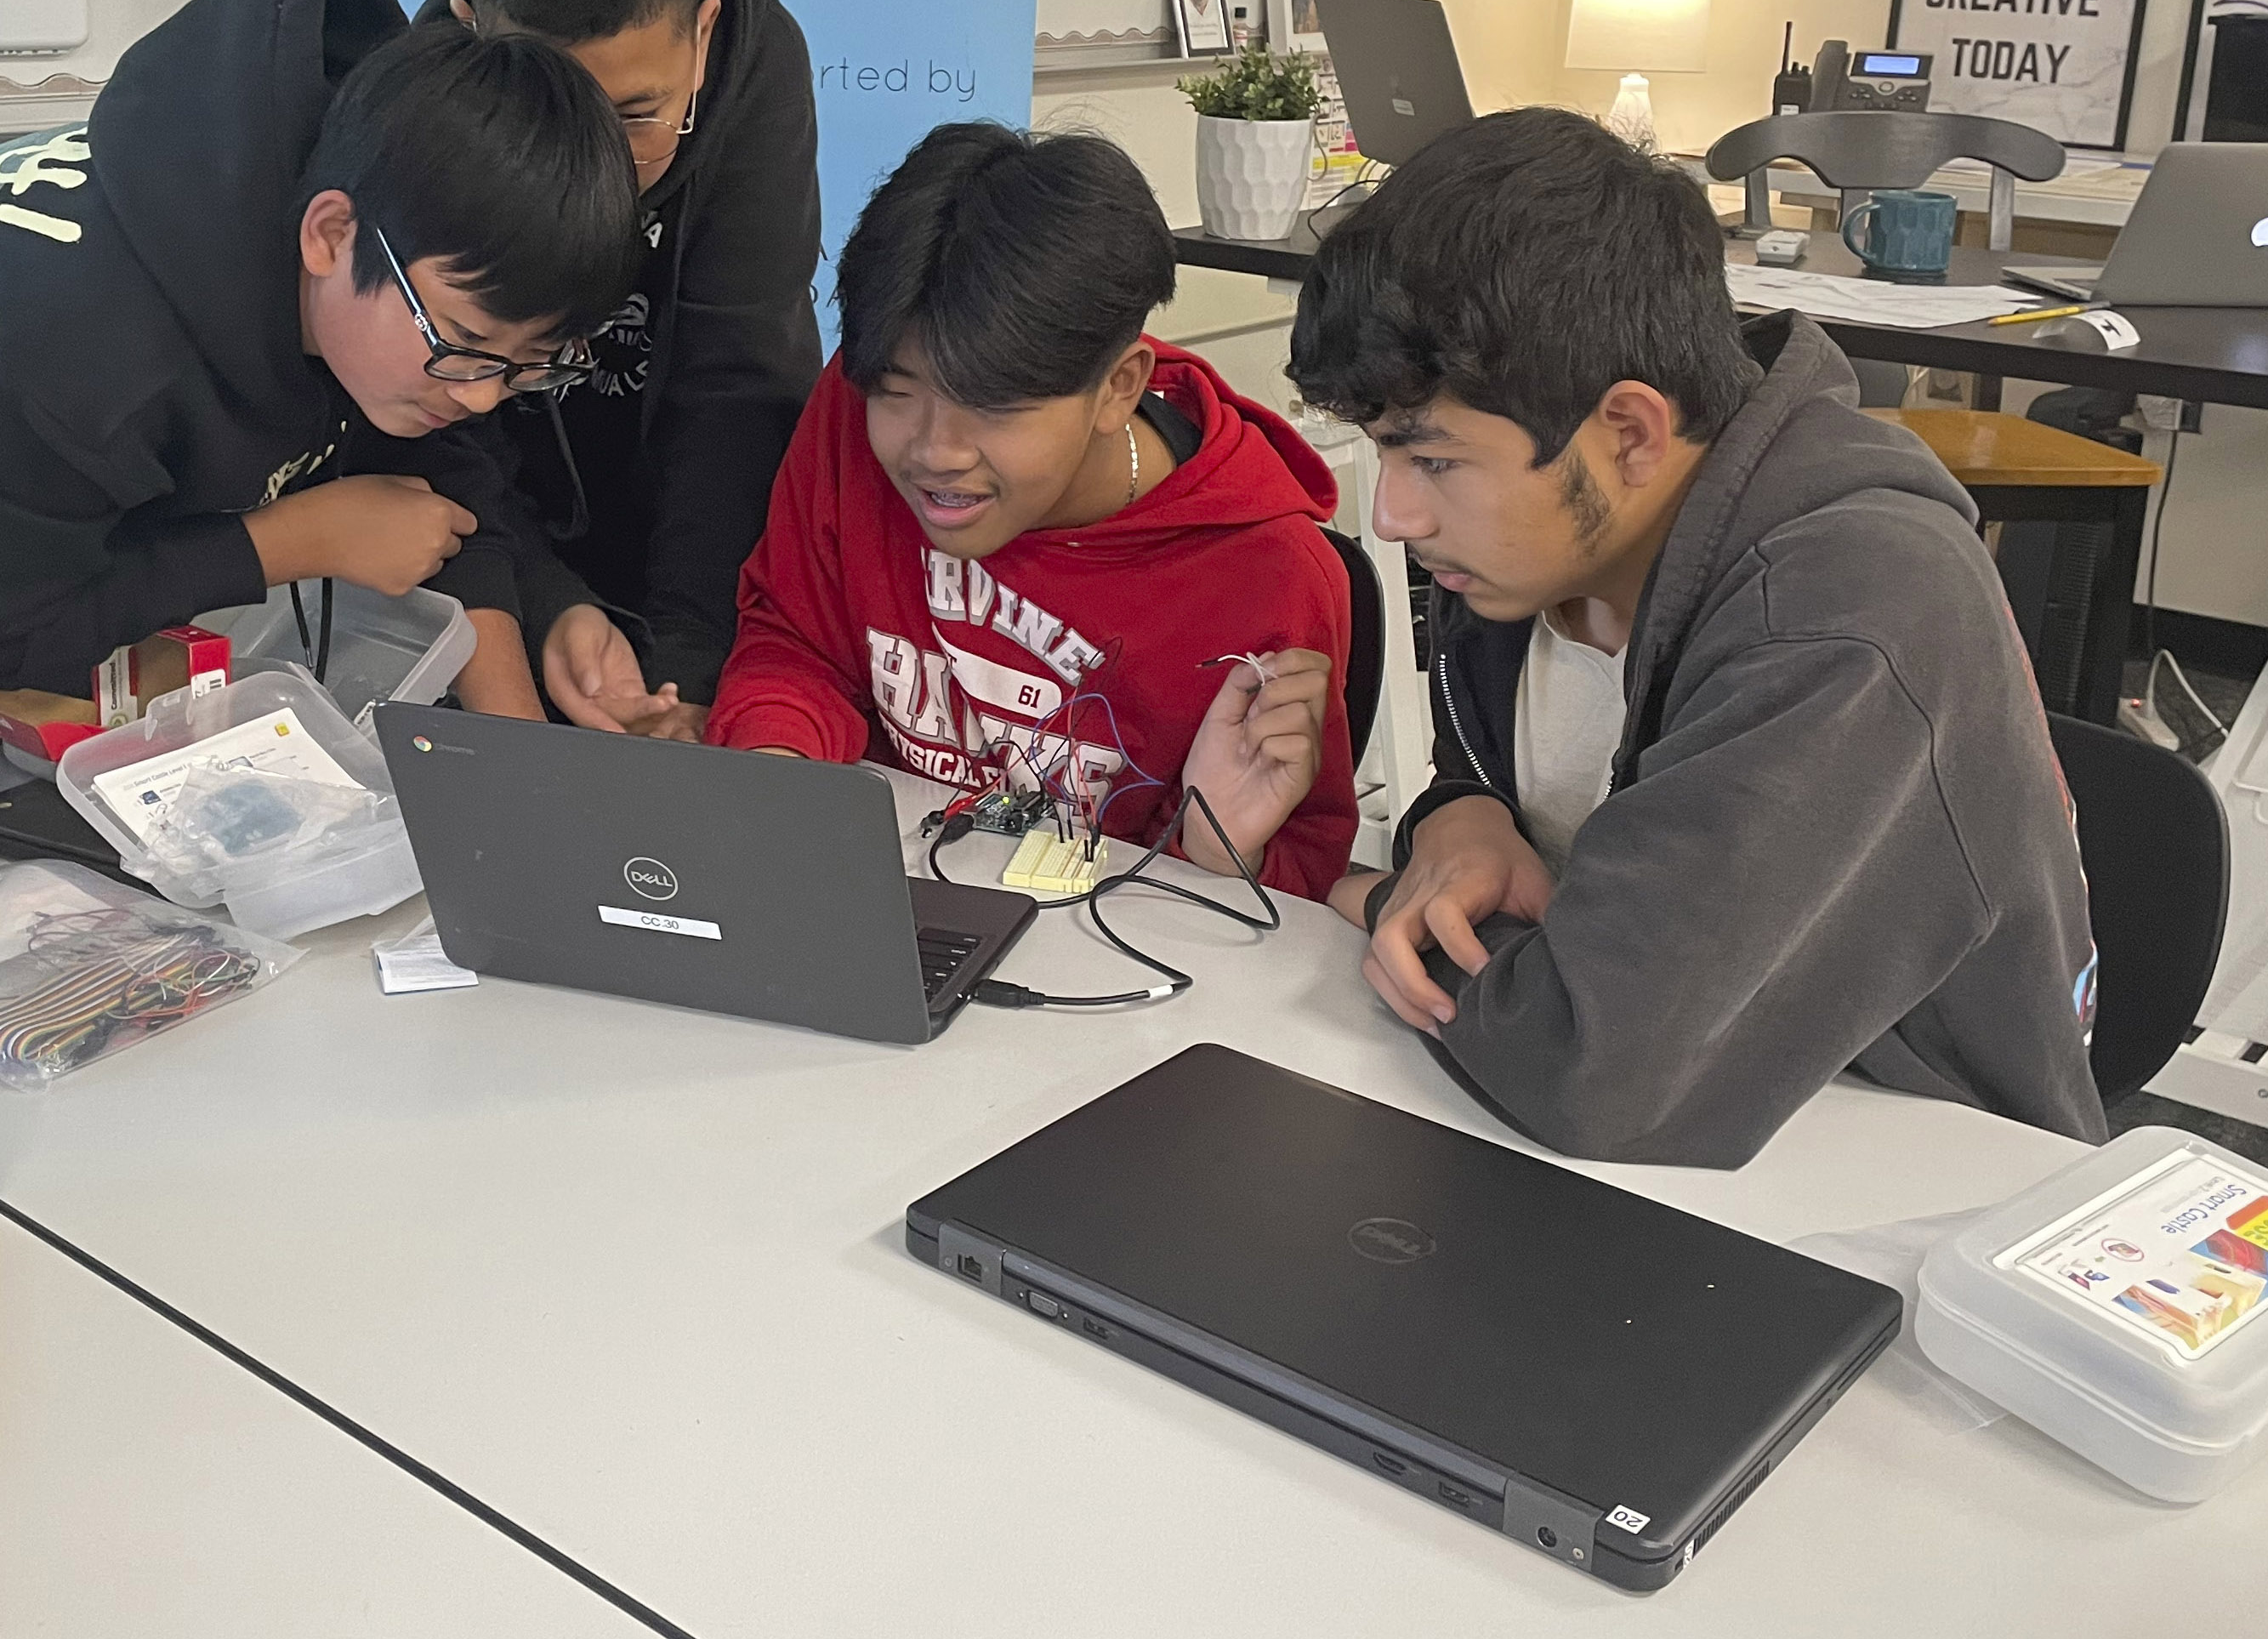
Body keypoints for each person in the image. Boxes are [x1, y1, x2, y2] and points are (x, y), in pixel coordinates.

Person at [1286, 108, 2103, 1167]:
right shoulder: (1524, 547)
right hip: (1614, 1151)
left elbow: (1588, 1060)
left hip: (1905, 1180)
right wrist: (1457, 818)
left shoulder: (1854, 608)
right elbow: (1498, 783)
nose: (1390, 516)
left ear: (1628, 432)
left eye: (1430, 461)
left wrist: (1373, 895)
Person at [0, 0, 639, 705]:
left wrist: (522, 755)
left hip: (54, 539)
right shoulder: (80, 351)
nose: (478, 393)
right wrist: (286, 542)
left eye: (522, 370)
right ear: (330, 234)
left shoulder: (414, 259)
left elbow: (454, 480)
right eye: (467, 348)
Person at [708, 123, 1356, 902]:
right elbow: (794, 640)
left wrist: (1217, 846)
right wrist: (775, 766)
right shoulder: (847, 413)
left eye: (993, 405)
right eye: (896, 390)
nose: (935, 452)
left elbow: (1297, 887)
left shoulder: (1270, 579)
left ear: (1118, 386)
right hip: (863, 899)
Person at [424, 0, 823, 743]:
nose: (595, 166)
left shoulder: (756, 73)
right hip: (490, 551)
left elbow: (738, 386)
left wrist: (686, 660)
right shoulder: (420, 102)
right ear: (468, 38)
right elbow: (440, 423)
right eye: (550, 109)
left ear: (704, 37)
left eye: (634, 116)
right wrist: (544, 597)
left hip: (693, 540)